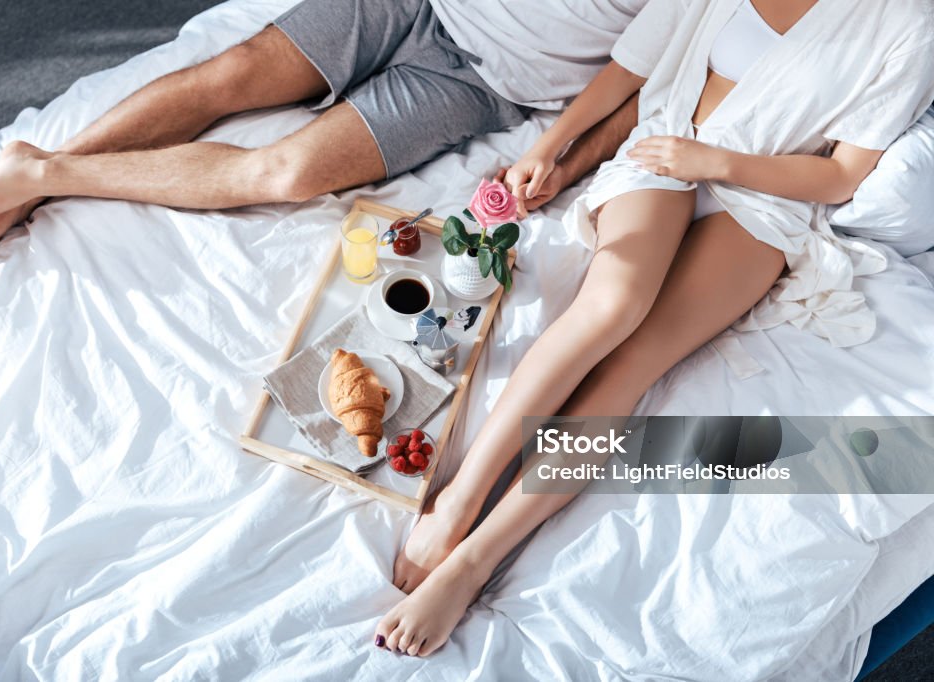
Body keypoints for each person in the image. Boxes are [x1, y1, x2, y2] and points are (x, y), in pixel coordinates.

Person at [373, 0, 934, 658]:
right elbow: (629, 68)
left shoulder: (908, 23)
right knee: (610, 309)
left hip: (765, 197)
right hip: (664, 151)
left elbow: (842, 173)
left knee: (635, 366)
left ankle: (475, 562)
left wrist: (716, 165)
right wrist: (548, 150)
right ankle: (461, 502)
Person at [0, 0, 647, 261]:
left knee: (287, 174)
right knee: (234, 72)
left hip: (485, 82)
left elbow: (644, 83)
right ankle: (28, 178)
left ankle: (45, 174)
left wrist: (563, 159)